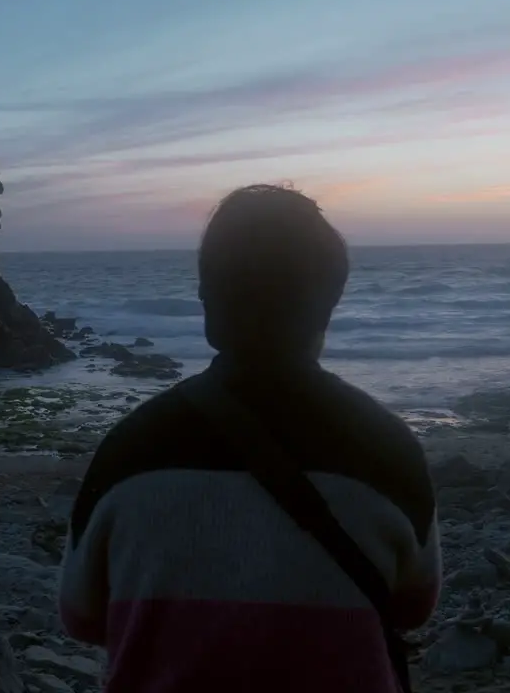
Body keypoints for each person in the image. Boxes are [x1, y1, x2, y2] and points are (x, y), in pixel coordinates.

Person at [58, 184, 442, 693]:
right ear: (330, 303)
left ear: (206, 300)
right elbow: (414, 608)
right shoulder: (390, 450)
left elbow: (81, 617)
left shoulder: (128, 452)